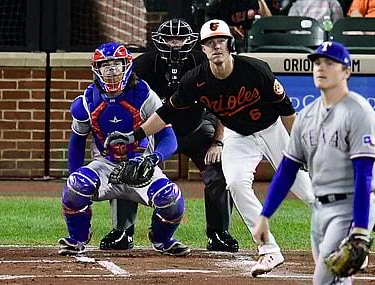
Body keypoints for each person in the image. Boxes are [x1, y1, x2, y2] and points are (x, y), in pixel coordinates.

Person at [104, 19, 315, 277]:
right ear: (203, 49)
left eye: (221, 41)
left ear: (230, 44)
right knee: (236, 183)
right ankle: (268, 249)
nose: (216, 47)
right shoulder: (195, 80)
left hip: (273, 130)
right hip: (239, 136)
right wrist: (134, 135)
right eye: (210, 43)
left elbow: (287, 111)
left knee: (306, 191)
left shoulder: (256, 69)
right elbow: (167, 112)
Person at [99, 18, 239, 253]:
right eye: (170, 39)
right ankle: (122, 231)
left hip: (195, 128)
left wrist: (218, 142)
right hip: (154, 132)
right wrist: (133, 139)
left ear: (191, 41)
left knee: (221, 169)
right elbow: (124, 104)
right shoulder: (142, 66)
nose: (175, 44)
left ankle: (219, 233)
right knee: (127, 167)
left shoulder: (203, 62)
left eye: (180, 39)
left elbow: (223, 106)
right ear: (159, 41)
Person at [253, 41, 375, 284]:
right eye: (317, 63)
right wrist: (265, 214)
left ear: (346, 71)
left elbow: (364, 174)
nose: (321, 68)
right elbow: (287, 169)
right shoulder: (307, 115)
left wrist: (361, 229)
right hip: (320, 209)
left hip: (349, 208)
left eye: (329, 63)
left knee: (323, 280)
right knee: (338, 281)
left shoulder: (360, 114)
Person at [58, 42, 190, 257]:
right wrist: (73, 177)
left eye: (116, 64)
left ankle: (162, 240)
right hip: (105, 165)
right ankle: (78, 239)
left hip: (141, 163)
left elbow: (169, 138)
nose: (111, 70)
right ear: (96, 69)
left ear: (126, 66)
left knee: (171, 198)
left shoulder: (145, 96)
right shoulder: (85, 102)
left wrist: (153, 159)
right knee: (76, 185)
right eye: (105, 65)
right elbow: (77, 141)